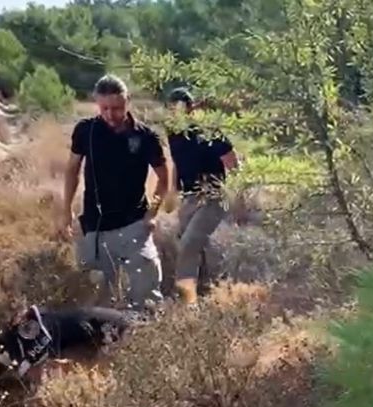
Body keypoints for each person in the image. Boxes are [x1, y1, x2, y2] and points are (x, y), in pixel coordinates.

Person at [59, 74, 170, 311]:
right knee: (94, 298)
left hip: (134, 226)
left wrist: (152, 213)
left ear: (128, 101)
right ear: (97, 104)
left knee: (146, 296)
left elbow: (164, 179)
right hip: (95, 226)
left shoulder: (146, 137)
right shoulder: (86, 131)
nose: (110, 115)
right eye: (104, 108)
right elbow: (72, 170)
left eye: (117, 108)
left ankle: (144, 331)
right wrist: (66, 210)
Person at [165, 87, 241, 305]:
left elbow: (233, 162)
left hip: (212, 196)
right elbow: (177, 162)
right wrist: (173, 191)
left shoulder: (209, 131)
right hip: (189, 197)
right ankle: (207, 292)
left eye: (181, 108)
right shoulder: (173, 133)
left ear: (191, 108)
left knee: (189, 244)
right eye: (172, 109)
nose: (176, 113)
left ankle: (187, 301)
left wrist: (237, 196)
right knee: (194, 247)